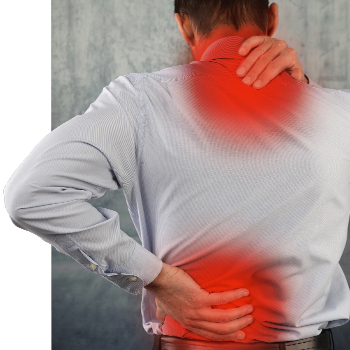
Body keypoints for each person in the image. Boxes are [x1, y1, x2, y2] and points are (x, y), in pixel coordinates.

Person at [3, 1, 349, 349]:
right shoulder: (340, 114)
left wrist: (156, 277)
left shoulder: (138, 103)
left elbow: (29, 195)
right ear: (272, 18)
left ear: (183, 26)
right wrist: (309, 91)